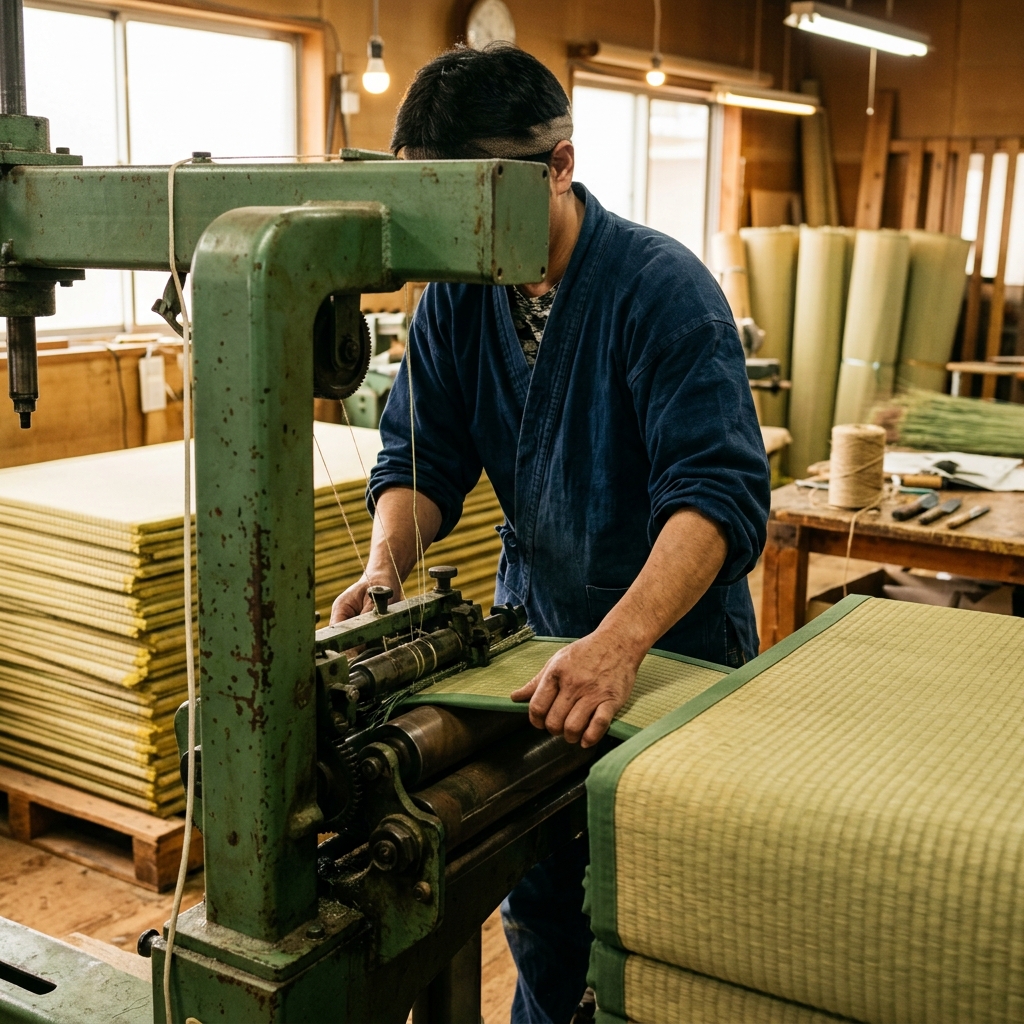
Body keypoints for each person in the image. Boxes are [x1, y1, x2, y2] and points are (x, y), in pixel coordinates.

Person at [331, 43, 770, 1024]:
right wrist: (383, 569)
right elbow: (419, 459)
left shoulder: (662, 289)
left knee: (657, 941)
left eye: (479, 201)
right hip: (531, 648)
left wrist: (618, 643)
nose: (461, 236)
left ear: (558, 166)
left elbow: (717, 494)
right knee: (544, 916)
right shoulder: (458, 297)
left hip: (668, 651)